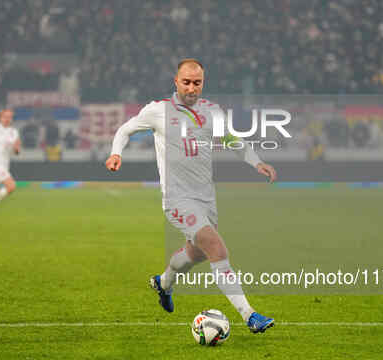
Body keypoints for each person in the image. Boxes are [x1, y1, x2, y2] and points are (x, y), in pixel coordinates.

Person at [106, 59, 277, 333]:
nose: (191, 88)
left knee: (195, 253)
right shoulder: (158, 110)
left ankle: (163, 283)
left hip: (206, 198)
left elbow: (232, 140)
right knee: (217, 248)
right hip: (177, 199)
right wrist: (116, 152)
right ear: (176, 81)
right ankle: (250, 316)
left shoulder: (212, 111)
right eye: (186, 82)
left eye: (197, 83)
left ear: (203, 83)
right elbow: (125, 129)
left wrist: (256, 162)